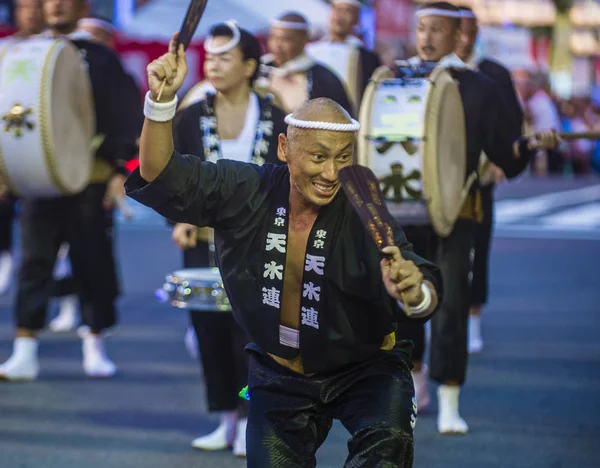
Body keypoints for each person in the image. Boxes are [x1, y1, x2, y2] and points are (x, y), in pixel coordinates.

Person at [126, 32, 443, 467]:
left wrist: (414, 290)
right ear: (284, 148)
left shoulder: (362, 206)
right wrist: (160, 103)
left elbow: (417, 275)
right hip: (279, 373)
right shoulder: (245, 189)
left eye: (343, 158)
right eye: (318, 157)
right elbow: (160, 173)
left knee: (386, 442)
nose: (332, 172)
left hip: (365, 368)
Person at [393, 2, 560, 434]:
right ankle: (412, 380)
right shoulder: (396, 78)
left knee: (450, 304)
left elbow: (504, 150)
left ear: (458, 36)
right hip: (406, 207)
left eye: (438, 30)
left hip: (458, 207)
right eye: (422, 29)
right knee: (405, 302)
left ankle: (450, 398)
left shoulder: (478, 85)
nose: (427, 38)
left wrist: (528, 146)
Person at [0, 0, 140, 381]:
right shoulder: (22, 52)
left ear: (81, 7)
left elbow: (123, 114)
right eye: (49, 0)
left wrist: (116, 170)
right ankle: (24, 350)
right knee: (33, 265)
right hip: (35, 178)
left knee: (92, 264)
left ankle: (94, 344)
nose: (57, 5)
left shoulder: (100, 57)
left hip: (89, 178)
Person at [170, 21, 287, 458]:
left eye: (224, 58)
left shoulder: (277, 116)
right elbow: (173, 173)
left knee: (254, 335)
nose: (213, 66)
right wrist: (178, 218)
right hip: (205, 239)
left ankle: (252, 417)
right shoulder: (191, 116)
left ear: (250, 66)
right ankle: (225, 418)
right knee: (210, 331)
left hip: (263, 242)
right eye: (210, 57)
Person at [49, 13, 142, 333]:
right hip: (52, 173)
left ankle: (94, 322)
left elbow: (129, 129)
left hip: (94, 174)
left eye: (94, 38)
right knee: (54, 252)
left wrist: (118, 171)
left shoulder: (116, 75)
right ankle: (65, 305)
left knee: (91, 251)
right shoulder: (58, 71)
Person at [455, 6, 524, 354]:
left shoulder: (494, 73)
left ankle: (473, 319)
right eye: (459, 31)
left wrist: (504, 160)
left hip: (479, 181)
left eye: (470, 31)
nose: (465, 39)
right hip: (440, 181)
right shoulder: (435, 73)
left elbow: (513, 125)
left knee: (477, 251)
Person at [0, 0, 44, 296]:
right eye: (23, 6)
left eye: (35, 6)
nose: (29, 12)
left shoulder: (58, 50)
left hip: (44, 153)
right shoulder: (4, 49)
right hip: (7, 148)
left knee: (47, 230)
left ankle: (65, 296)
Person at [256, 11, 353, 116]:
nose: (277, 45)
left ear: (304, 40)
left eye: (286, 39)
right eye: (273, 37)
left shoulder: (324, 79)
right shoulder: (258, 69)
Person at [306, 0, 381, 115]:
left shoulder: (366, 58)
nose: (340, 16)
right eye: (337, 10)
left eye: (347, 11)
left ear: (356, 19)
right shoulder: (311, 52)